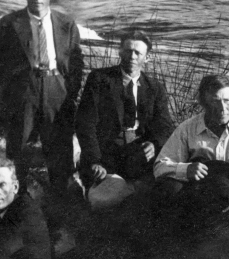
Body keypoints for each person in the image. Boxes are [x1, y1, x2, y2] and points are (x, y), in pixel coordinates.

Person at [0, 0, 84, 193]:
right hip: (23, 90)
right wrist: (12, 85)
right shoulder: (10, 23)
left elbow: (76, 63)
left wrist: (69, 91)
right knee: (17, 146)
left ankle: (60, 199)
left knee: (59, 147)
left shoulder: (66, 24)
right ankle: (13, 199)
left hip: (56, 88)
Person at [152, 73, 229, 235]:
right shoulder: (187, 128)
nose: (223, 109)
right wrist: (185, 169)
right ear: (202, 102)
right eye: (216, 101)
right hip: (197, 197)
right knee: (166, 194)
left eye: (227, 101)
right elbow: (160, 166)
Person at [75, 30, 174, 204]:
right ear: (120, 52)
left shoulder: (154, 88)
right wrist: (94, 161)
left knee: (165, 192)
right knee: (102, 201)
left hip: (139, 156)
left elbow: (164, 126)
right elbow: (85, 123)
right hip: (105, 155)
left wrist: (155, 143)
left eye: (138, 53)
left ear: (147, 58)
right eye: (128, 51)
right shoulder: (99, 79)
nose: (132, 56)